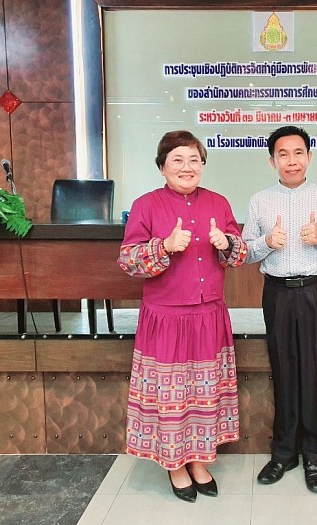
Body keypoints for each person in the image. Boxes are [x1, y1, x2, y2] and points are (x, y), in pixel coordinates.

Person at [117, 130, 247, 503]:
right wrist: (165, 246)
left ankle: (200, 462)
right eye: (177, 160)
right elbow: (127, 260)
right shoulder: (146, 205)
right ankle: (175, 465)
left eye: (194, 160)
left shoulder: (218, 203)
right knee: (171, 397)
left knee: (204, 394)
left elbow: (239, 254)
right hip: (166, 319)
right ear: (162, 167)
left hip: (209, 316)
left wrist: (227, 243)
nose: (187, 167)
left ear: (202, 165)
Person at [242, 125, 317, 493]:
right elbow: (246, 252)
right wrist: (266, 242)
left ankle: (315, 458)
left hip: (316, 291)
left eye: (298, 152)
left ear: (310, 157)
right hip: (278, 294)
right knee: (283, 370)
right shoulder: (259, 201)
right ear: (271, 160)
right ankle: (284, 453)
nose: (291, 161)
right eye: (283, 154)